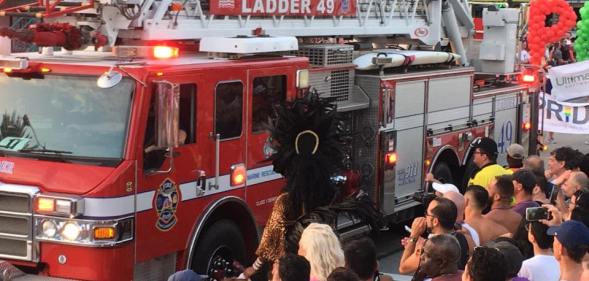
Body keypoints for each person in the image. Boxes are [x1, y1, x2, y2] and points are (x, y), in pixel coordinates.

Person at [399, 198, 469, 274]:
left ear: (435, 221)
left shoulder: (431, 248)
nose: (425, 217)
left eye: (427, 214)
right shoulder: (462, 237)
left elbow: (403, 268)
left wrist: (413, 237)